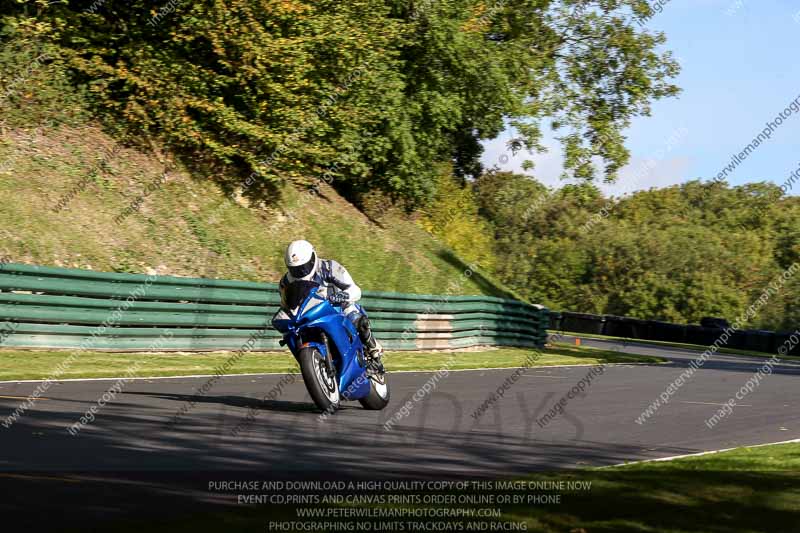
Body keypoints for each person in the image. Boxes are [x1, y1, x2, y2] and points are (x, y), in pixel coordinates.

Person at [273, 240, 384, 370]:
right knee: (292, 336)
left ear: (312, 259)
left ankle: (374, 350)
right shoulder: (285, 282)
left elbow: (355, 290)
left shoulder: (329, 268)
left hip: (338, 307)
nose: (301, 272)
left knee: (356, 319)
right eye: (296, 270)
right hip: (309, 315)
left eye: (304, 267)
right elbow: (288, 305)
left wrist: (341, 296)